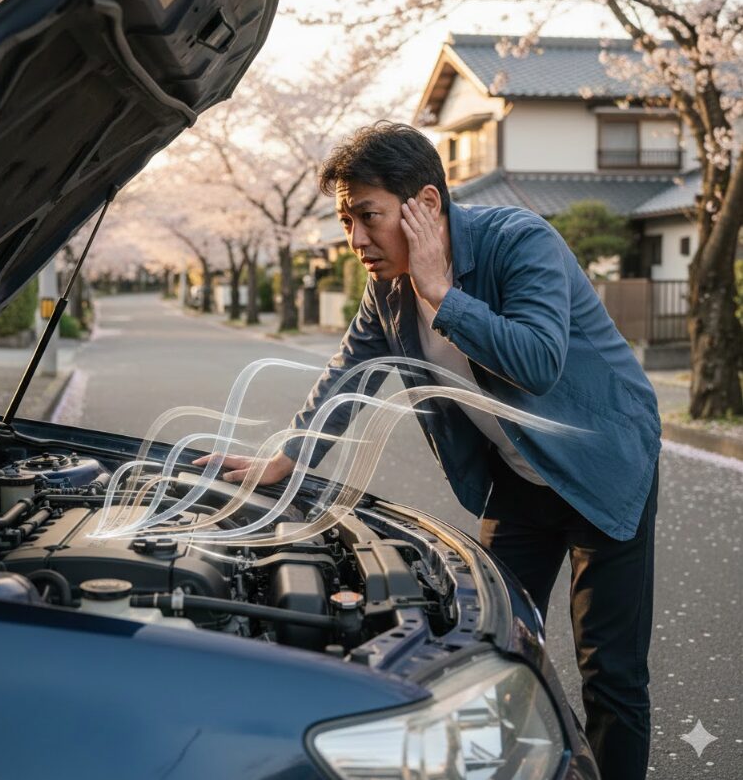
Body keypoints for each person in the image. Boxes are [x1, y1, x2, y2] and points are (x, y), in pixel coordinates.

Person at [196, 121, 660, 780]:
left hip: (602, 466)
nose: (354, 239)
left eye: (367, 216)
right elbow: (346, 376)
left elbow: (537, 362)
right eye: (345, 220)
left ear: (425, 206)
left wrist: (442, 293)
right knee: (489, 645)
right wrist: (286, 458)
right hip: (520, 480)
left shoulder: (519, 242)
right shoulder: (385, 289)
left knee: (609, 669)